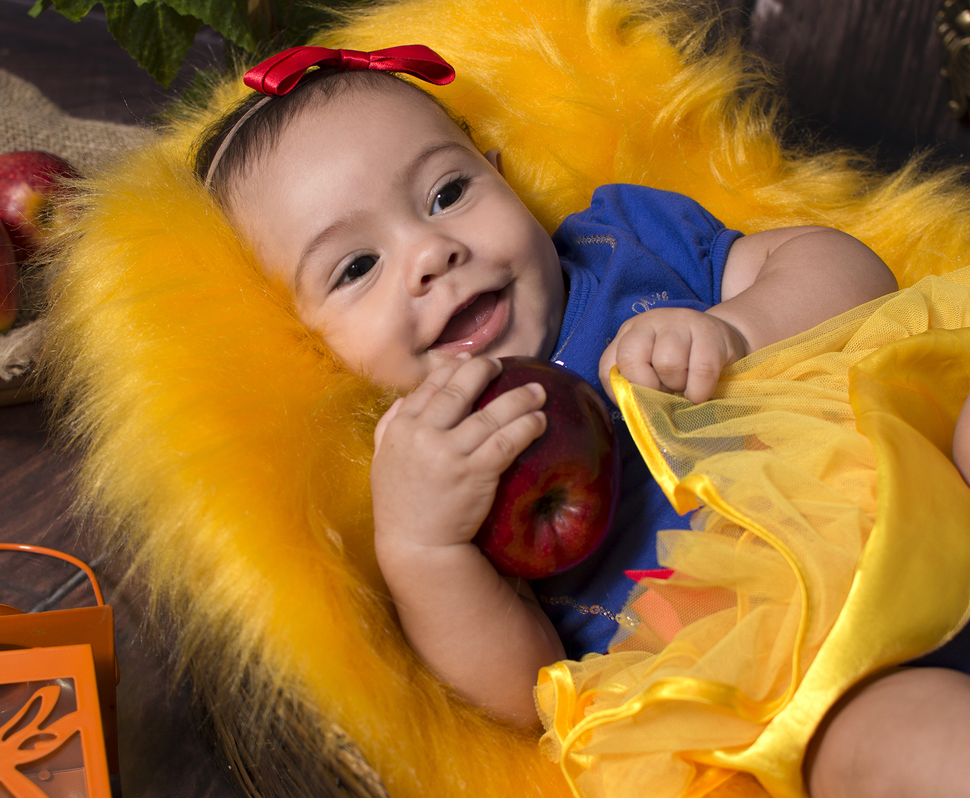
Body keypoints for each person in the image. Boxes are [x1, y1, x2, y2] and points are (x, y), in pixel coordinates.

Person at [194, 45, 970, 798]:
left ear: (501, 177)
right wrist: (424, 548)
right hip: (775, 680)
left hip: (915, 496)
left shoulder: (623, 246)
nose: (430, 253)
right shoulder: (429, 455)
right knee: (883, 745)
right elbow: (520, 692)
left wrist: (739, 328)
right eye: (355, 267)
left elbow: (855, 273)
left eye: (446, 194)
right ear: (304, 342)